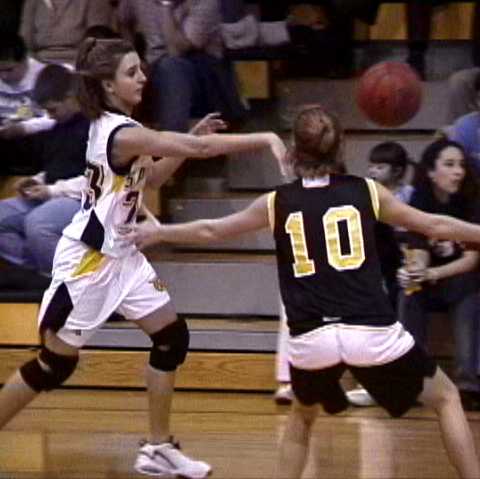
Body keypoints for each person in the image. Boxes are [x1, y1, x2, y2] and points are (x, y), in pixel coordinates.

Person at [130, 105, 480, 479]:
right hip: (370, 332)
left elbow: (211, 230)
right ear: (341, 147)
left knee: (301, 419)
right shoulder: (367, 191)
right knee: (446, 398)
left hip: (312, 340)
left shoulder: (277, 201)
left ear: (294, 150)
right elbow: (434, 225)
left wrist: (161, 232)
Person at [0, 36, 285, 478]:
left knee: (172, 337)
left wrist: (190, 138)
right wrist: (265, 136)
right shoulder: (121, 132)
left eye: (140, 69)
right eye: (132, 72)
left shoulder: (121, 127)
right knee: (54, 364)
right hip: (90, 262)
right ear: (108, 85)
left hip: (123, 256)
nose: (143, 78)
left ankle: (157, 447)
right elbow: (199, 152)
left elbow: (151, 176)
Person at [397, 139, 480, 411]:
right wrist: (415, 271)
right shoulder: (420, 202)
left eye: (461, 165)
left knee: (469, 291)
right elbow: (418, 248)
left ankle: (467, 385)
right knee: (408, 290)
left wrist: (433, 272)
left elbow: (471, 261)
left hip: (461, 277)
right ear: (431, 172)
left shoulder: (472, 201)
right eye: (450, 165)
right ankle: (413, 381)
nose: (459, 172)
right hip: (432, 281)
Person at [0, 63, 89, 287]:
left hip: (82, 199)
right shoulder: (57, 128)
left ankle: (75, 281)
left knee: (38, 224)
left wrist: (51, 190)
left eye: (53, 110)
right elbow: (56, 168)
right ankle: (41, 273)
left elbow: (98, 180)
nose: (49, 116)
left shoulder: (95, 128)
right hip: (52, 194)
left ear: (70, 97)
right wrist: (36, 181)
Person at [346, 141, 414, 407]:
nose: (373, 171)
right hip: (377, 268)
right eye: (371, 166)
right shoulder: (365, 196)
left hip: (406, 267)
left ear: (397, 170)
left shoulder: (410, 195)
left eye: (380, 166)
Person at [116, 0, 246, 132]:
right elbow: (123, 21)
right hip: (155, 69)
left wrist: (166, 7)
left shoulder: (205, 3)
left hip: (202, 75)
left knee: (171, 68)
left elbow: (176, 50)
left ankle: (174, 139)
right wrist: (133, 56)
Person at [0, 34, 53, 175]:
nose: (3, 76)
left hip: (32, 140)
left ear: (25, 59)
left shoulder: (44, 76)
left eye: (9, 69)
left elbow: (54, 118)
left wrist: (24, 128)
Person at [20, 0, 114, 65]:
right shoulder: (33, 2)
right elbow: (25, 44)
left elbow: (98, 42)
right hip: (39, 64)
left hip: (77, 63)